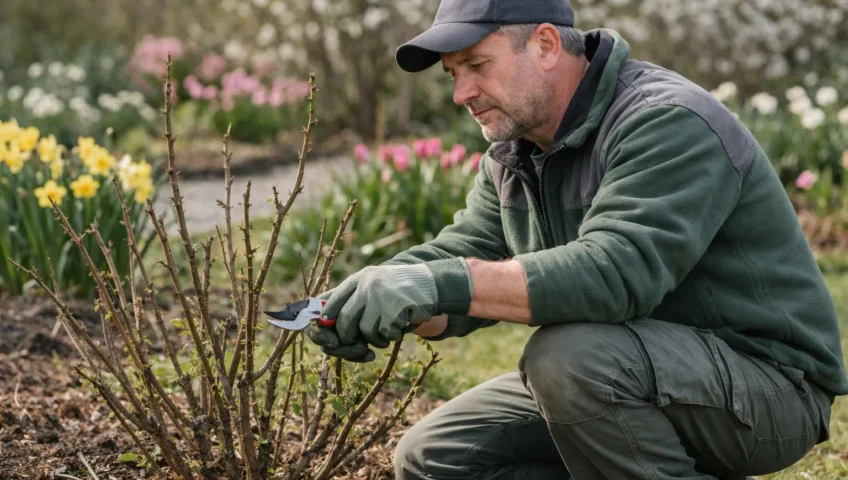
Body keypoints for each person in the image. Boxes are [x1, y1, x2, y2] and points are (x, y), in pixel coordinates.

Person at [304, 0, 848, 478]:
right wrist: (377, 296)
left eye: (476, 65)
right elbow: (465, 257)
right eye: (452, 73)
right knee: (437, 456)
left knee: (566, 358)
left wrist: (433, 284)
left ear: (544, 44)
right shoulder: (516, 154)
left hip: (768, 386)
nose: (461, 92)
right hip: (635, 372)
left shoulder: (667, 121)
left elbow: (614, 274)